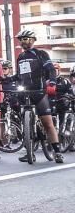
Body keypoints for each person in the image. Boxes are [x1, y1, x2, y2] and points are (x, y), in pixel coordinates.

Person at [13, 30, 64, 163]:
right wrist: (6, 80)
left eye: (26, 39)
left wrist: (52, 82)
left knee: (47, 122)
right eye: (21, 39)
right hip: (25, 92)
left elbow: (51, 70)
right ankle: (29, 150)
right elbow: (19, 76)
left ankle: (57, 152)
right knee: (25, 123)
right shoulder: (21, 56)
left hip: (39, 91)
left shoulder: (40, 53)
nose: (23, 41)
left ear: (32, 40)